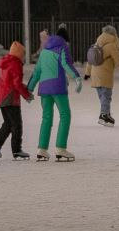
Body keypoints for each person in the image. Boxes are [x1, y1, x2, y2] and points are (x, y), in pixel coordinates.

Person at [26, 31, 81, 161]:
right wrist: (77, 77)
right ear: (65, 40)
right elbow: (66, 64)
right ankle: (60, 148)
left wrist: (29, 89)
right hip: (57, 87)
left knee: (46, 117)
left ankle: (42, 149)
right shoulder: (62, 47)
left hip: (44, 88)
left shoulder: (44, 51)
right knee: (65, 115)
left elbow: (37, 71)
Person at [0, 42, 32, 160]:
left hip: (2, 97)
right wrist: (27, 95)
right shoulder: (16, 64)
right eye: (23, 54)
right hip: (11, 98)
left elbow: (12, 81)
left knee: (8, 124)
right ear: (19, 54)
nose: (23, 57)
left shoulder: (6, 62)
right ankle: (17, 150)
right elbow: (16, 84)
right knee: (17, 125)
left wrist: (24, 90)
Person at [88, 25, 119, 127]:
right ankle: (103, 115)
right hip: (105, 74)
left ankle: (107, 114)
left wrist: (87, 73)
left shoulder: (97, 44)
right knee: (106, 96)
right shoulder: (111, 45)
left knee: (103, 97)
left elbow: (90, 60)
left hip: (95, 74)